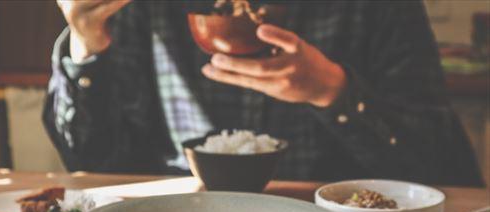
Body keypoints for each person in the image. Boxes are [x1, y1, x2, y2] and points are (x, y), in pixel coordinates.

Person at [45, 0, 483, 186]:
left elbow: (431, 159)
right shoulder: (138, 9)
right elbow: (93, 166)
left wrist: (335, 91)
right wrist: (86, 44)